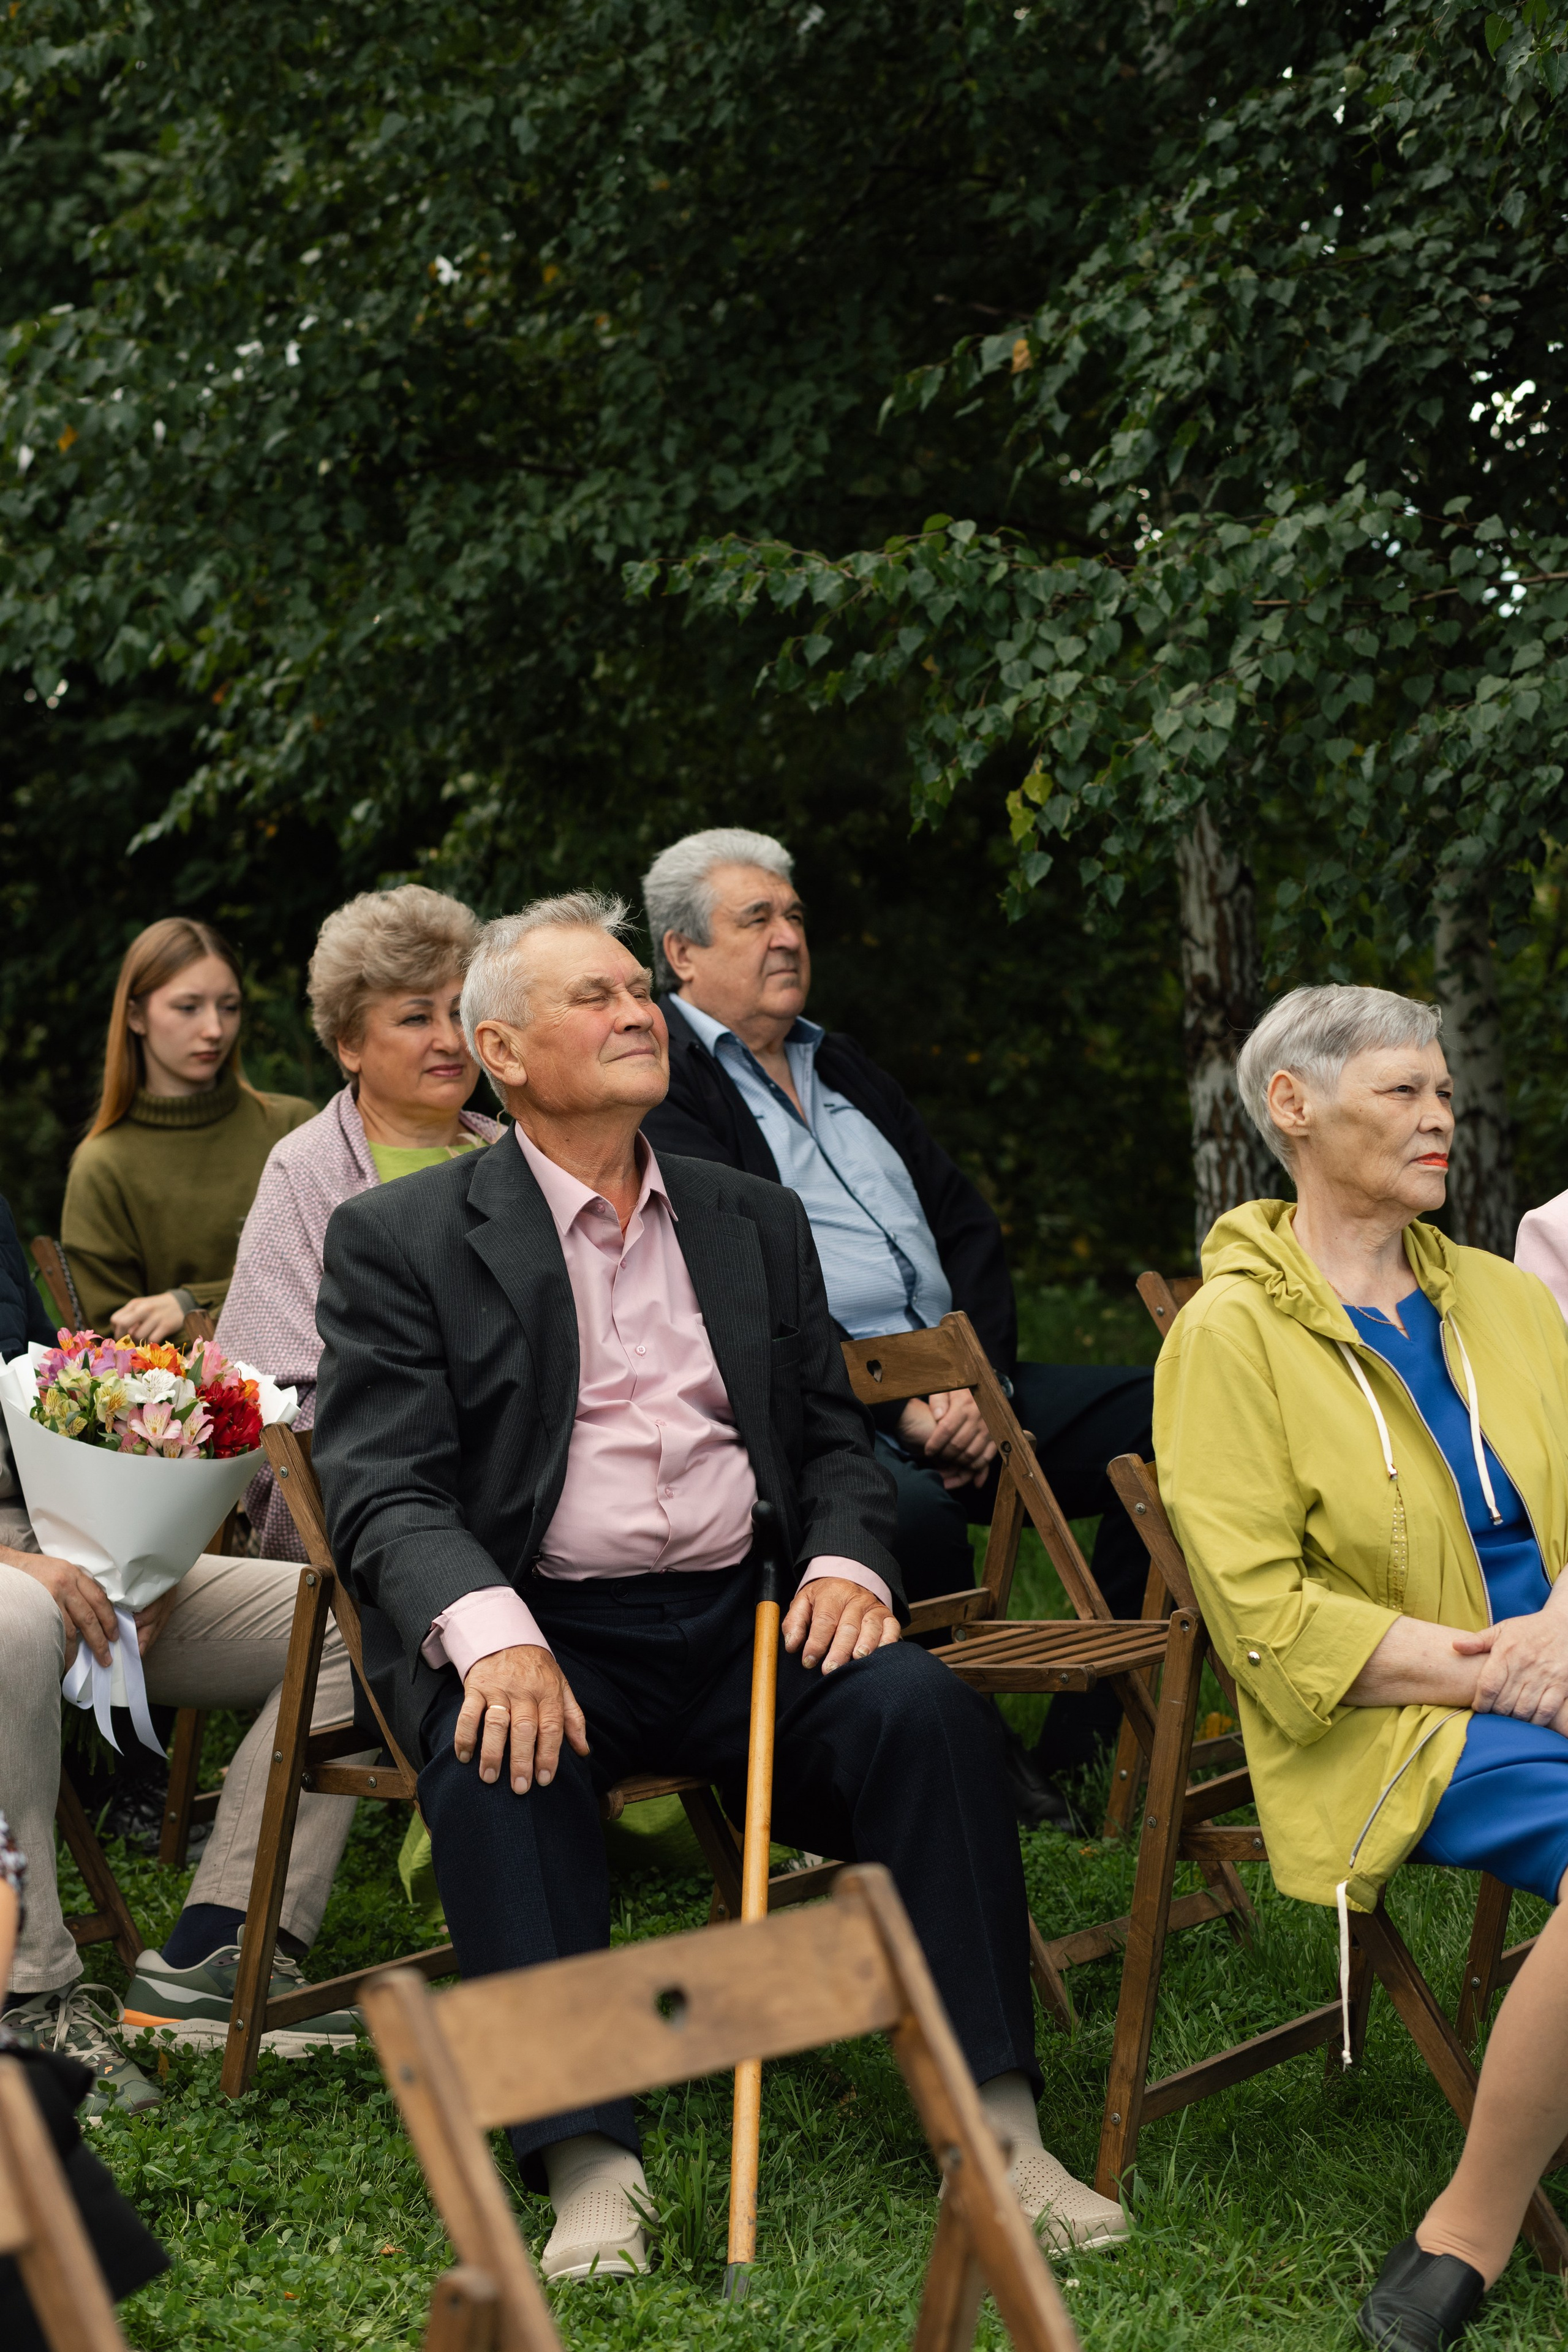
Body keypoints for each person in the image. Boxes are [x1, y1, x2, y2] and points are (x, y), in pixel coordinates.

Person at [312, 890, 1128, 2282]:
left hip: (752, 1614)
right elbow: (382, 1485)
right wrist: (493, 1640)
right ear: (499, 1050)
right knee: (492, 1758)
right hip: (554, 1626)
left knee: (923, 1715)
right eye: (594, 996)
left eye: (639, 988)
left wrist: (845, 1561)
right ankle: (589, 2161)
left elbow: (827, 1439)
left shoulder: (748, 1214)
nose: (637, 1011)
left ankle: (995, 2125)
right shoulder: (407, 1238)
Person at [1156, 982, 1568, 2350]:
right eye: (1401, 1091)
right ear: (1292, 1105)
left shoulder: (1505, 1303)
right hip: (1394, 1714)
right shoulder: (1227, 1336)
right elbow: (1264, 1617)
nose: (1437, 1116)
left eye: (1442, 1092)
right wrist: (1502, 1671)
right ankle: (1470, 2222)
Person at [638, 827, 1153, 1817]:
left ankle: (1094, 1738)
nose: (788, 936)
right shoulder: (672, 1086)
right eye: (758, 919)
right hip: (825, 1402)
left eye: (794, 915)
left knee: (1180, 1413)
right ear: (683, 953)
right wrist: (892, 1406)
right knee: (905, 1515)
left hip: (966, 1381)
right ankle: (977, 1765)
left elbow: (966, 1224)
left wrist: (979, 1386)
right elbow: (732, 1278)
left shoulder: (845, 1063)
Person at [218, 884, 497, 1559]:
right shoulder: (306, 1170)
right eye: (413, 1018)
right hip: (389, 1497)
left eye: (460, 1012)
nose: (449, 1040)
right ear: (349, 1044)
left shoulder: (512, 1151)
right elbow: (266, 1396)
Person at [60, 918, 315, 1342]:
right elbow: (114, 1349)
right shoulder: (102, 1166)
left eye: (229, 1007)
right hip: (184, 1407)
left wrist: (190, 1303)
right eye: (188, 1007)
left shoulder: (293, 1126)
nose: (215, 1029)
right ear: (137, 1017)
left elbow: (339, 1277)